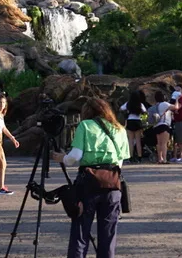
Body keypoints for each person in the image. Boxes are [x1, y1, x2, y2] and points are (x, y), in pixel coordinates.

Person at [51, 97, 129, 258]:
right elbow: (120, 162)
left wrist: (61, 158)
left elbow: (75, 156)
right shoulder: (119, 129)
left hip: (89, 184)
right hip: (112, 184)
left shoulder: (85, 126)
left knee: (80, 232)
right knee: (108, 234)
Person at [122, 91, 147, 164]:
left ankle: (131, 157)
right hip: (138, 121)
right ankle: (139, 157)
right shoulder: (140, 104)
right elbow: (145, 111)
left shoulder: (128, 103)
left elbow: (121, 108)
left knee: (131, 141)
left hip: (130, 121)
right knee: (138, 141)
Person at [149, 90, 172, 164]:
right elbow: (176, 107)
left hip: (157, 125)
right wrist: (177, 99)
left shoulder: (155, 106)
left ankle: (160, 158)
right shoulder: (165, 104)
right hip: (164, 125)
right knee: (164, 143)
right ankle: (164, 159)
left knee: (159, 143)